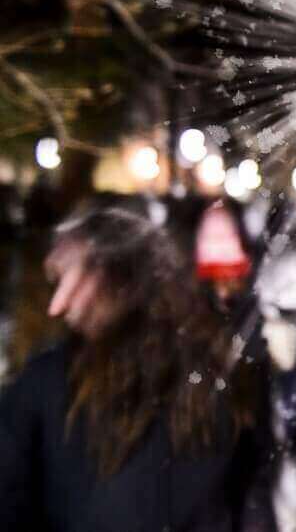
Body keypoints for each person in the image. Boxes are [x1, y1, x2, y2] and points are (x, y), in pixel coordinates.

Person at [0, 208, 273, 531]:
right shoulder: (217, 376)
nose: (59, 304)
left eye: (69, 280)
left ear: (118, 280)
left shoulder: (49, 383)